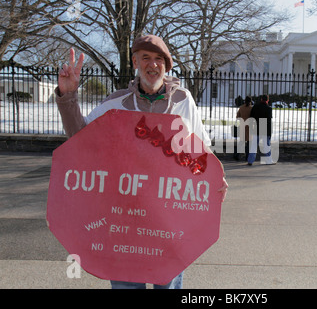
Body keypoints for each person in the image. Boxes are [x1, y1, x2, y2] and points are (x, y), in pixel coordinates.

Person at [56, 35, 228, 289]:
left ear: (167, 66)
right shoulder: (116, 103)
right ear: (135, 62)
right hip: (123, 222)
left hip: (168, 222)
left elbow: (200, 150)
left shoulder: (183, 100)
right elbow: (79, 141)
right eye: (145, 57)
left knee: (167, 285)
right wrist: (67, 96)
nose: (152, 64)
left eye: (159, 59)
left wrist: (215, 177)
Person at [247, 95, 274, 165]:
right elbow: (269, 122)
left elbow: (251, 118)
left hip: (256, 129)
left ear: (261, 99)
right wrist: (270, 133)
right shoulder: (269, 109)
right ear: (267, 101)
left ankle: (250, 160)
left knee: (253, 146)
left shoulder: (255, 107)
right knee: (266, 146)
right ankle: (268, 161)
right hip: (265, 130)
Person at [233, 96, 252, 161]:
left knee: (241, 142)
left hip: (242, 126)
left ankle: (236, 155)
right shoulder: (251, 108)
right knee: (249, 143)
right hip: (250, 127)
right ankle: (247, 157)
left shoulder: (241, 108)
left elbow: (237, 116)